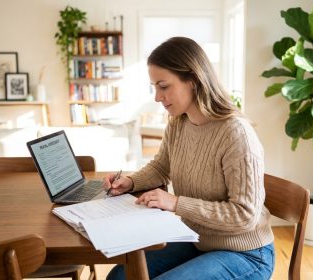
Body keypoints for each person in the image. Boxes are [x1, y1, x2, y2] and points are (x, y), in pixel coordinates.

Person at [103, 37, 275, 280]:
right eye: (154, 87)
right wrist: (130, 182)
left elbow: (244, 215)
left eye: (164, 86)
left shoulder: (236, 134)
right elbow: (161, 167)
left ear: (193, 80)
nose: (157, 97)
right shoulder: (179, 123)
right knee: (120, 276)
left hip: (246, 252)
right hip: (197, 240)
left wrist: (176, 203)